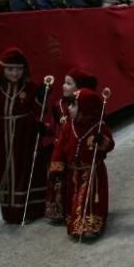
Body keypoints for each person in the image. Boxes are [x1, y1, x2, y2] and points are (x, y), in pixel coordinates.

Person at [0, 48, 49, 224]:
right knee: (8, 170)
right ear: (2, 70)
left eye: (18, 69)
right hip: (5, 136)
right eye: (10, 69)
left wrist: (42, 98)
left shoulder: (30, 87)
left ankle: (32, 209)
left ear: (24, 69)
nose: (14, 73)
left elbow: (38, 110)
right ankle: (12, 213)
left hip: (27, 134)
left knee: (27, 167)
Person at [50, 87, 113, 240]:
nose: (68, 108)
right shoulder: (68, 126)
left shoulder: (98, 126)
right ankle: (77, 226)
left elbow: (110, 144)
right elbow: (60, 148)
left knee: (89, 200)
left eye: (73, 105)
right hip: (73, 173)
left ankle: (91, 226)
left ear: (85, 108)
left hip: (92, 173)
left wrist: (102, 141)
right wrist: (57, 166)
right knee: (75, 198)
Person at [46, 68, 97, 225]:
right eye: (64, 82)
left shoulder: (86, 106)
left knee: (74, 184)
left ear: (79, 88)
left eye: (69, 83)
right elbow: (56, 127)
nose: (63, 86)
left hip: (77, 150)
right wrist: (45, 129)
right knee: (59, 181)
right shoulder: (58, 105)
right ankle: (58, 212)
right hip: (61, 148)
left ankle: (77, 214)